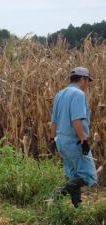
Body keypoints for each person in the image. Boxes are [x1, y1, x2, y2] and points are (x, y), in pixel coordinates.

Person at [50, 67, 98, 208]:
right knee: (89, 176)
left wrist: (52, 139)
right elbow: (76, 121)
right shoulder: (78, 94)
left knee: (73, 176)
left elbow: (53, 121)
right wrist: (84, 141)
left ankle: (78, 208)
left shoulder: (60, 94)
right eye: (87, 81)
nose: (88, 84)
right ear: (82, 79)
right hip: (75, 142)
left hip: (61, 142)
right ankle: (55, 196)